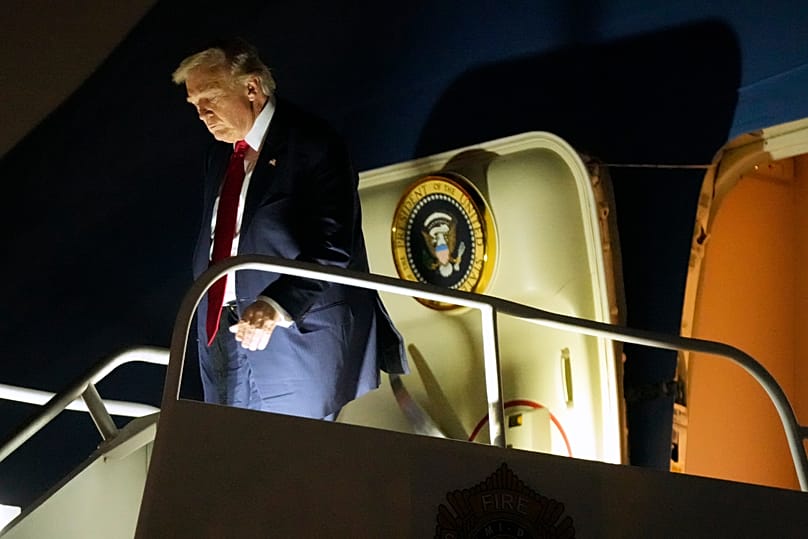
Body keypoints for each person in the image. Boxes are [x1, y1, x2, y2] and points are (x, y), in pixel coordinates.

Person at [172, 37, 407, 420]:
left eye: (209, 98)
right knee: (231, 461)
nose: (202, 113)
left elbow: (332, 246)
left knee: (289, 464)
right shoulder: (219, 155)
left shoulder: (313, 143)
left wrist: (275, 304)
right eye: (195, 105)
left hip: (288, 333)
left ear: (251, 87)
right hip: (221, 333)